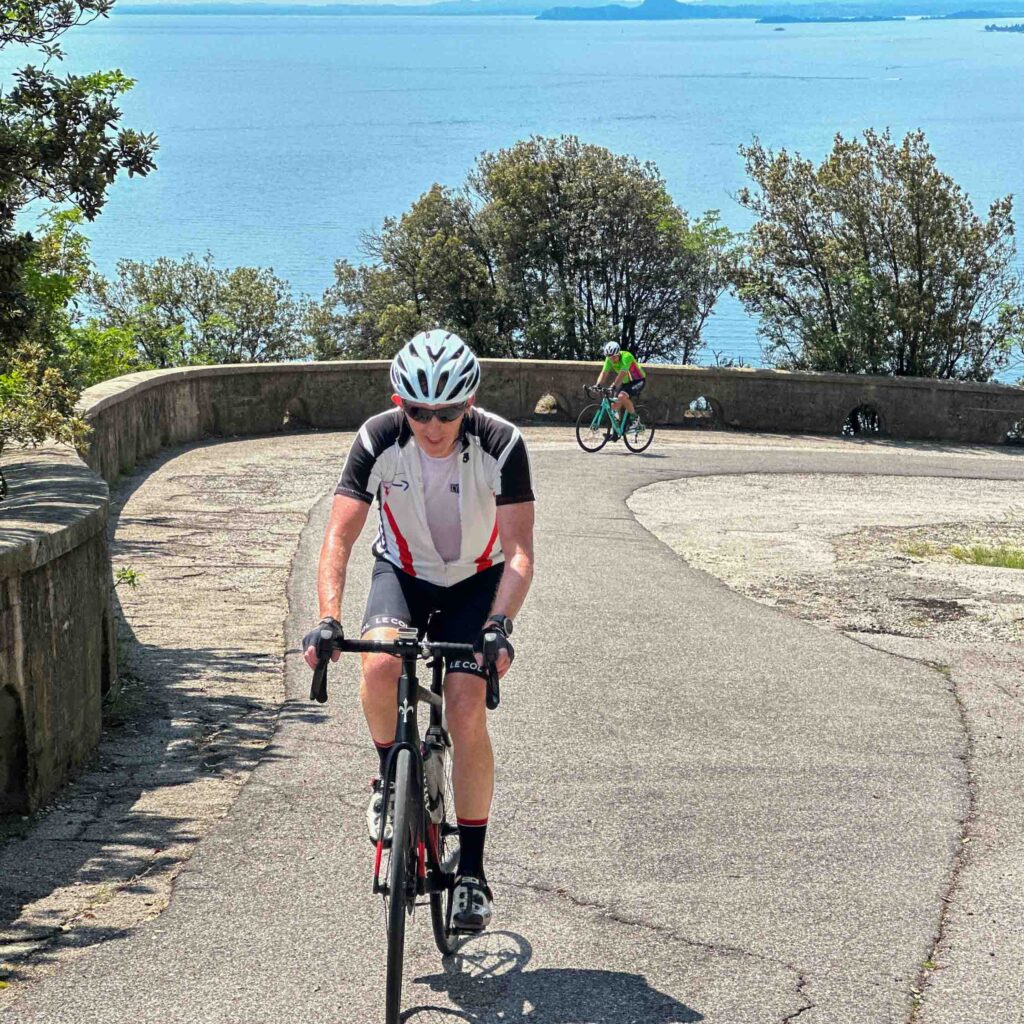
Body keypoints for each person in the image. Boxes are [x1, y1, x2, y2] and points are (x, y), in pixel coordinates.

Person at [302, 328, 535, 933]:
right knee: (377, 664)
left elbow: (518, 553)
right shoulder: (378, 438)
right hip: (402, 573)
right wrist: (328, 617)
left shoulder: (502, 443)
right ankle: (388, 775)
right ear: (398, 401)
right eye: (420, 411)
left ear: (470, 402)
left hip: (475, 584)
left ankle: (474, 873)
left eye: (449, 411)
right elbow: (339, 537)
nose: (434, 425)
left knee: (465, 707)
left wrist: (499, 627)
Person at [595, 341, 646, 427]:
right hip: (625, 382)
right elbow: (604, 373)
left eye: (614, 357)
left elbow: (622, 374)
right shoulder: (609, 359)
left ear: (618, 353)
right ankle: (616, 430)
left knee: (622, 396)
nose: (612, 359)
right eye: (610, 357)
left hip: (638, 380)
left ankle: (636, 421)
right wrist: (597, 385)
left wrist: (613, 386)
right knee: (614, 404)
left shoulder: (627, 357)